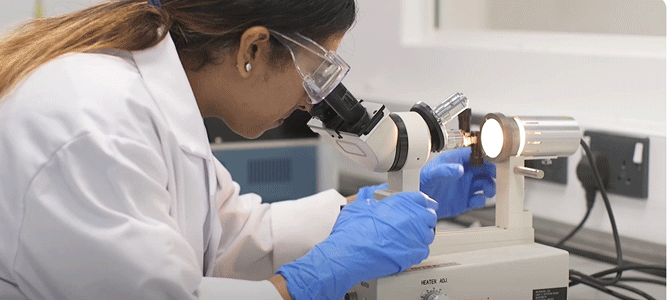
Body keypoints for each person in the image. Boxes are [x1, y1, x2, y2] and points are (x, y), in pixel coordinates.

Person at [0, 0, 496, 299]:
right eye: (315, 70)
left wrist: (363, 212)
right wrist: (312, 282)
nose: (310, 100)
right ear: (253, 49)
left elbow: (227, 237)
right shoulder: (94, 122)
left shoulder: (152, 100)